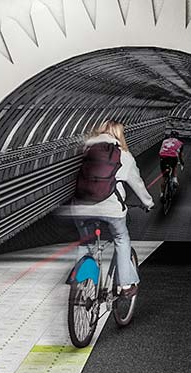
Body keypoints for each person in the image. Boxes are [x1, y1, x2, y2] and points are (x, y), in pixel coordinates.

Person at [65, 120, 155, 319]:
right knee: (122, 239)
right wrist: (148, 203)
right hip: (111, 209)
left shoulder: (85, 151)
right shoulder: (124, 155)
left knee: (86, 242)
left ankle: (83, 282)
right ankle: (125, 285)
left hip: (81, 207)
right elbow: (138, 185)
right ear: (119, 135)